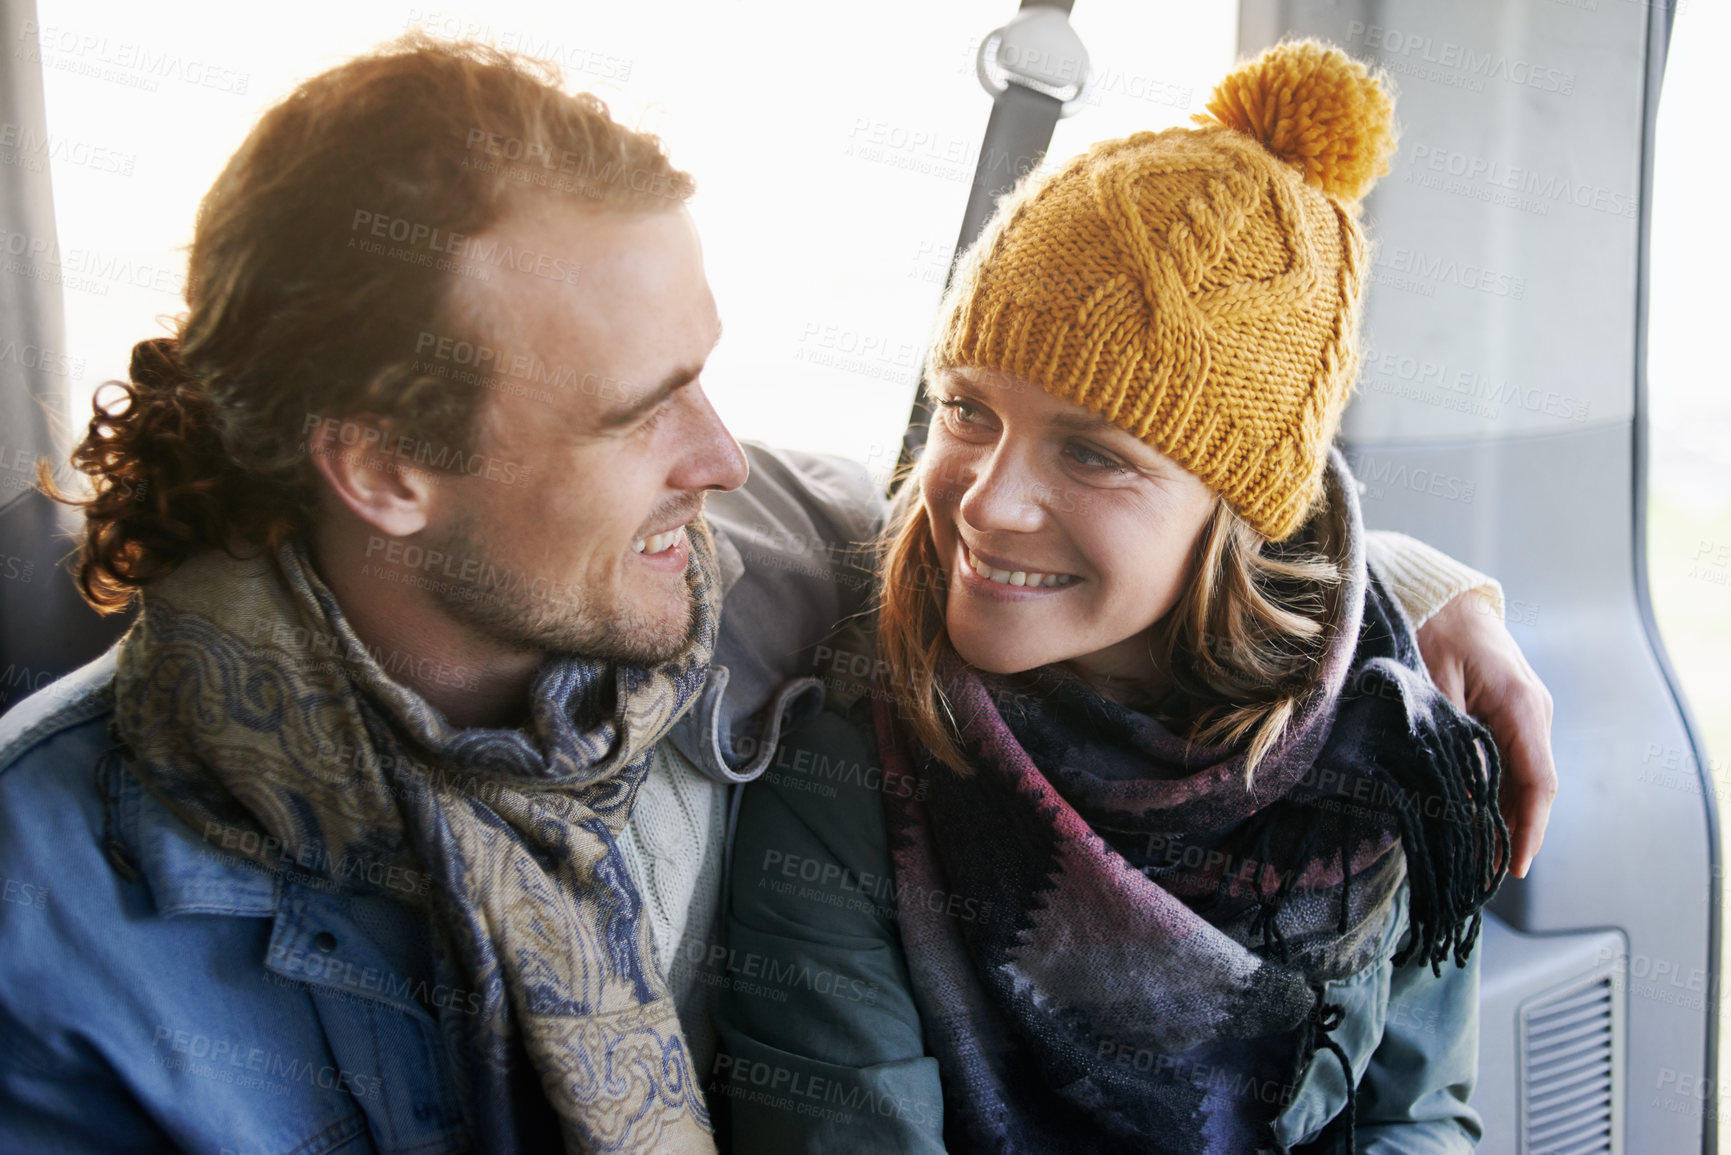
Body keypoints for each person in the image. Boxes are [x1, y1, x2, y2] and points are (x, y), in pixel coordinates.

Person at [0, 35, 1547, 1155]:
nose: (720, 452)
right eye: (640, 409)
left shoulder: (752, 559)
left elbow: (1147, 527)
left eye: (712, 374)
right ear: (388, 467)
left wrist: (1420, 600)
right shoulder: (57, 911)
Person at [719, 41, 1501, 1154]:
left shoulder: (1398, 766)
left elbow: (1418, 1121)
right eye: (967, 409)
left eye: (1090, 454)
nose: (987, 505)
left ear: (1237, 513)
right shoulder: (855, 765)